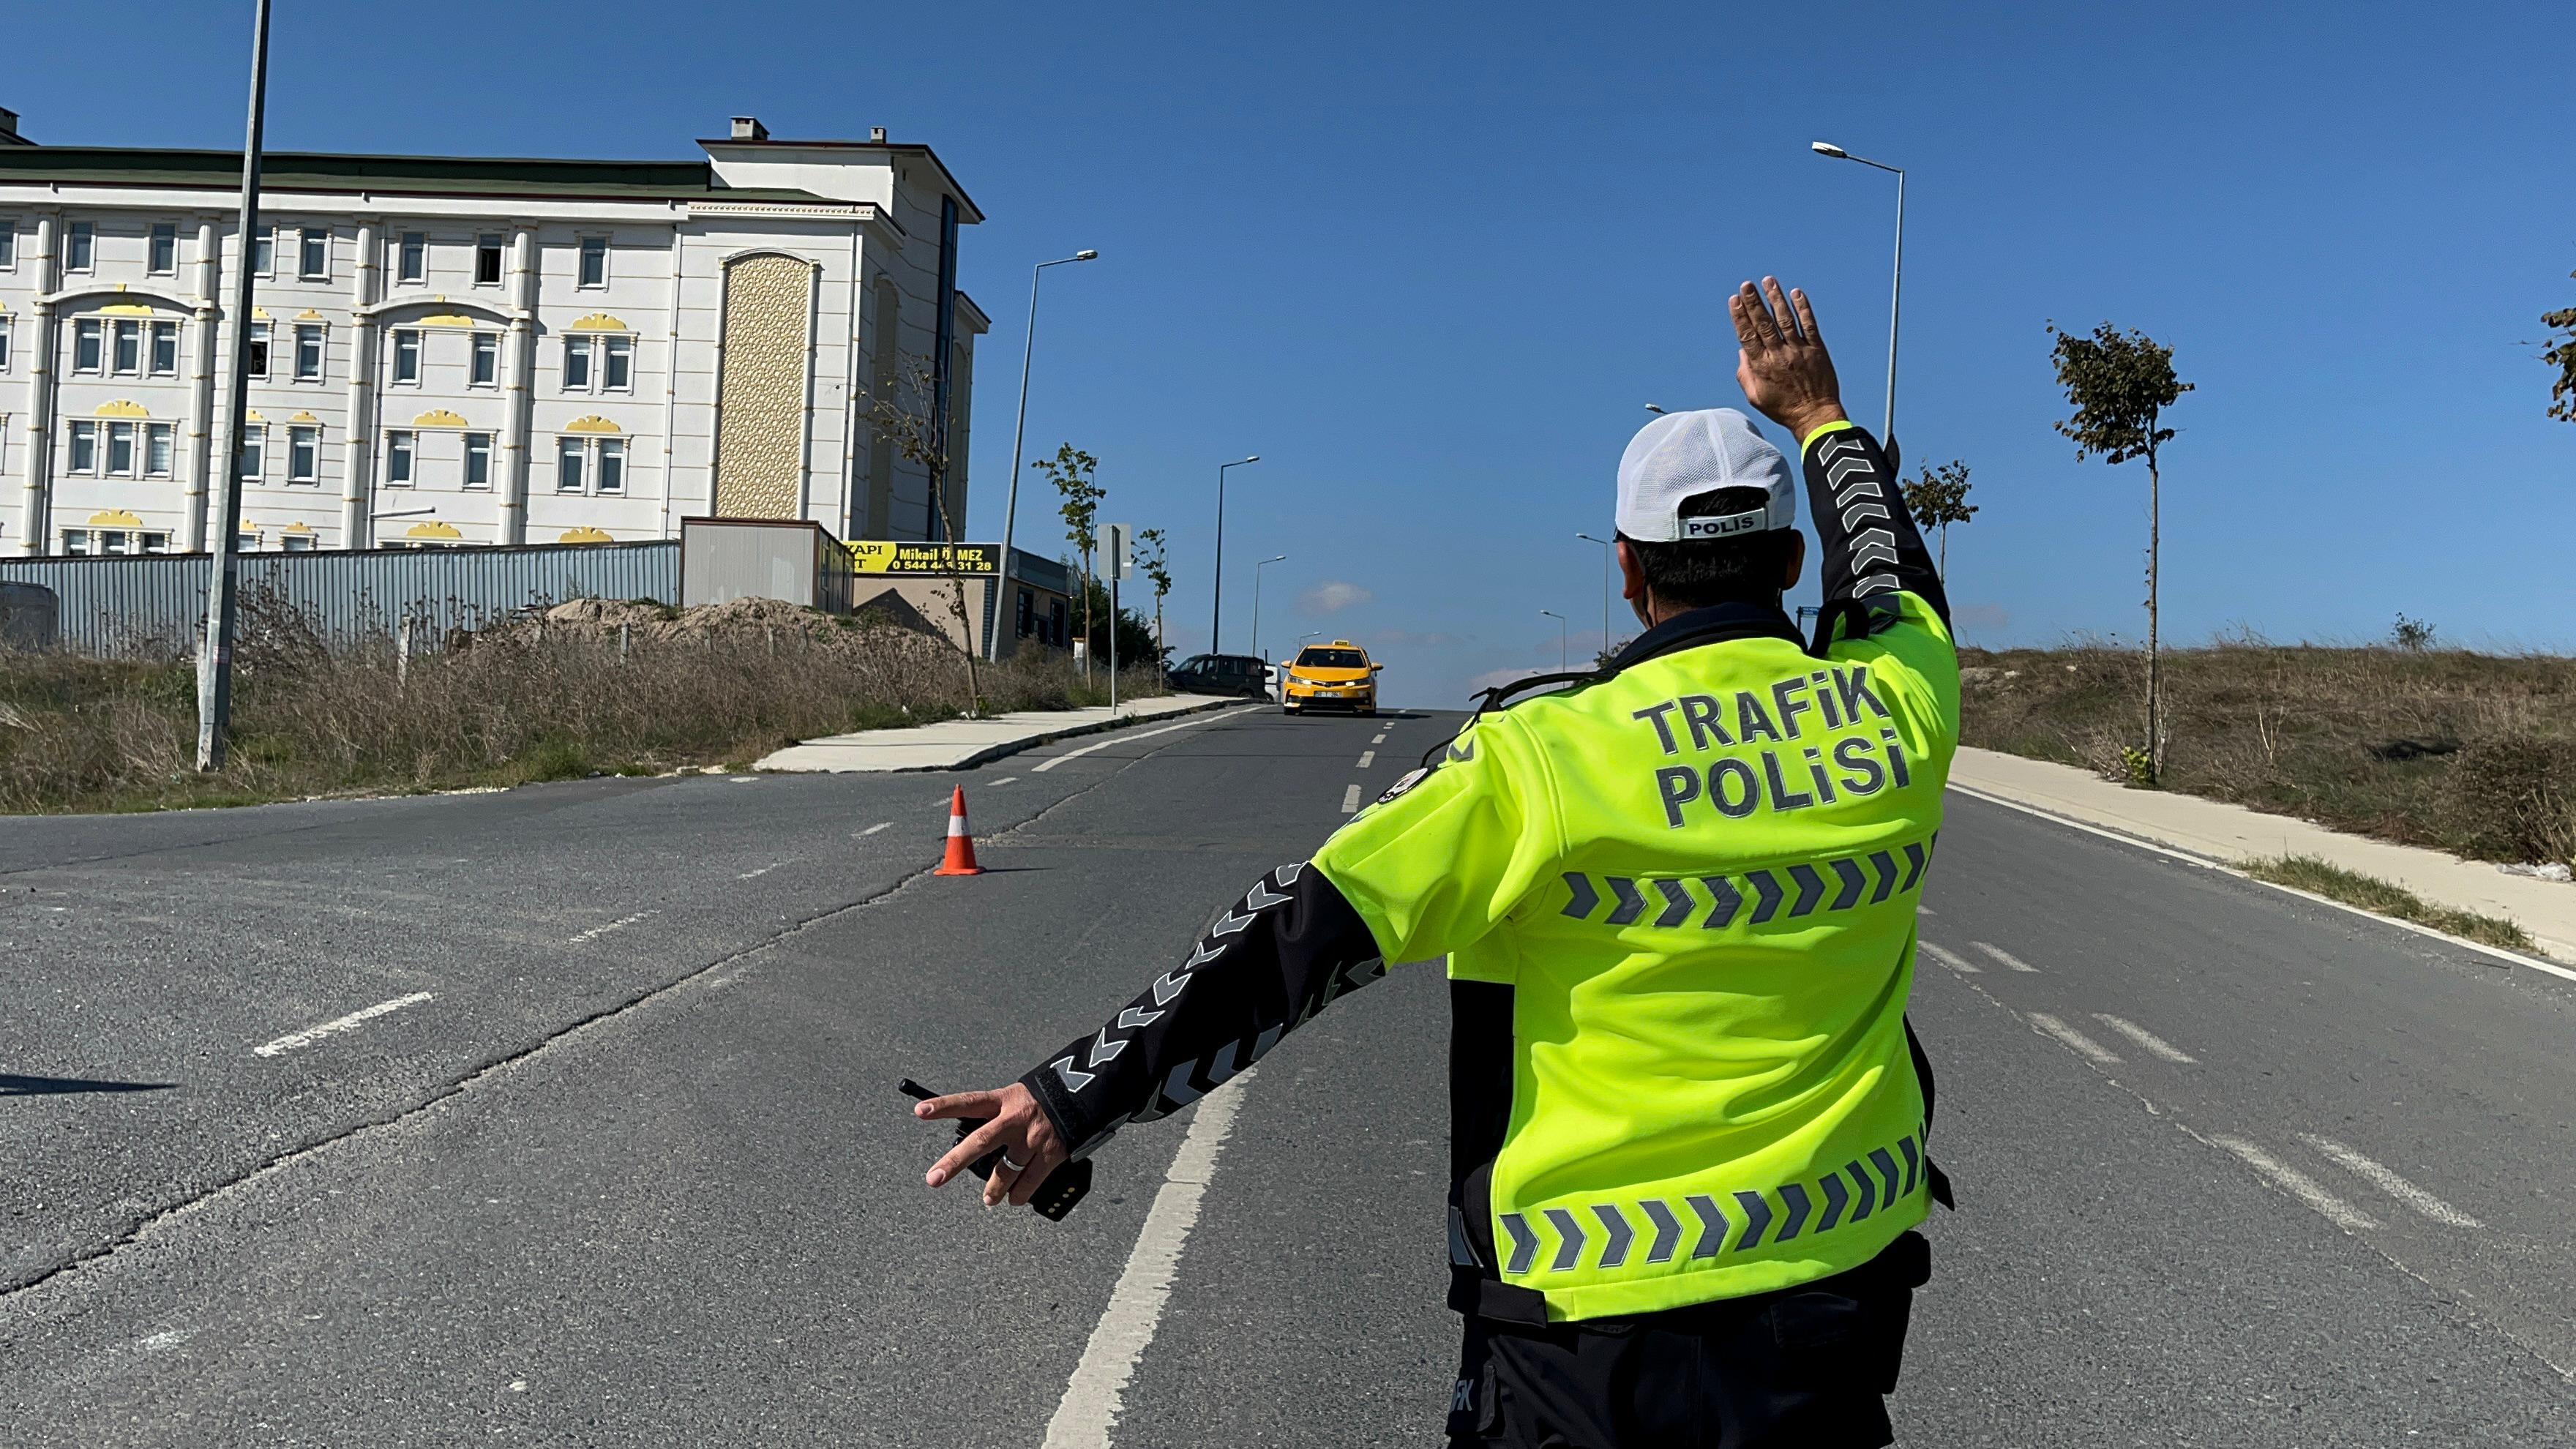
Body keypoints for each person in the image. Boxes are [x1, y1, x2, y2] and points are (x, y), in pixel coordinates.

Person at [916, 277, 1960, 1448]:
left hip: (1588, 1337)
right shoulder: (1896, 715)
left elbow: (1296, 937)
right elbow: (1890, 576)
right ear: (1783, 563)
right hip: (1833, 1309)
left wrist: (1073, 1096)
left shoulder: (1542, 757)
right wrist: (1820, 417)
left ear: (1627, 569)